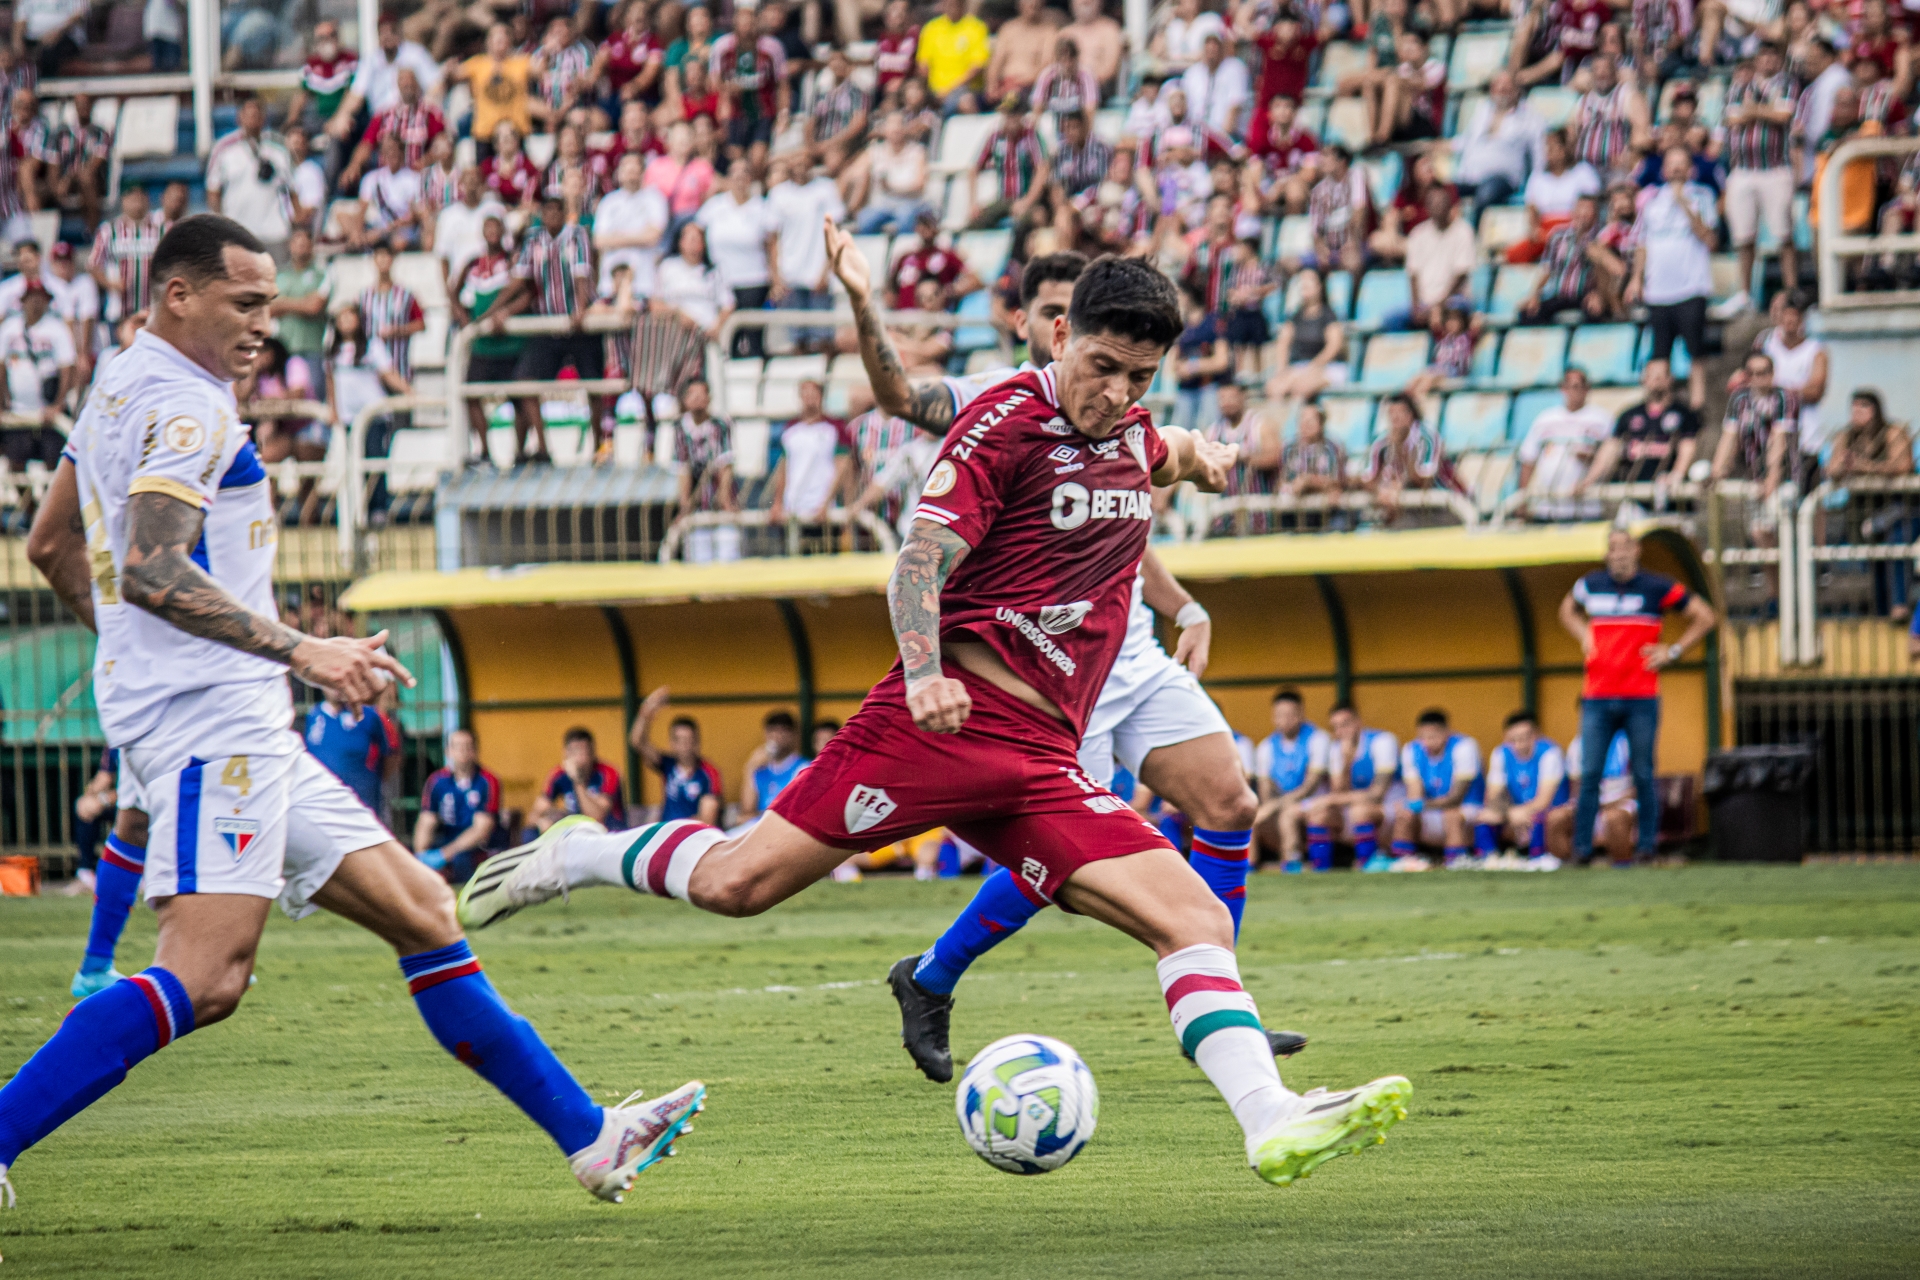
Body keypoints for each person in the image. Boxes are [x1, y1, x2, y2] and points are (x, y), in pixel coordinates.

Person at [456, 253, 1405, 1191]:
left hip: (1040, 760)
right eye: (1102, 368)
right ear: (1060, 334)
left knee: (1192, 914)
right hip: (939, 728)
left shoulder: (1135, 435)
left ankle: (1270, 1117)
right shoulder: (1003, 424)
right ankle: (578, 853)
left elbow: (1177, 451)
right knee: (739, 884)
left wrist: (1212, 461)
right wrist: (921, 673)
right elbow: (917, 561)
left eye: (1139, 379)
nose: (1115, 394)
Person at [1, 214, 697, 1211]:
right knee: (205, 975)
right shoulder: (190, 408)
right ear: (177, 295)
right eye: (243, 304)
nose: (261, 328)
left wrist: (129, 666)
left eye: (270, 308)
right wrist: (307, 649)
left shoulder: (118, 379)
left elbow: (48, 542)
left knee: (424, 907)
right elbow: (153, 565)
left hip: (218, 718)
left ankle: (590, 1134)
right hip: (214, 727)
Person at [806, 231, 1278, 1076]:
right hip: (1037, 670)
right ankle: (933, 974)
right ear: (1043, 326)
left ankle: (1223, 997)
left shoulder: (1125, 416)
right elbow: (897, 397)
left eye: (1138, 368)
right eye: (1059, 313)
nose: (1119, 376)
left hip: (1123, 648)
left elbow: (1120, 515)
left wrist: (1183, 603)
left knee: (1230, 800)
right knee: (1060, 854)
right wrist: (861, 299)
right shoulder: (993, 404)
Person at [1559, 528, 1718, 864]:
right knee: (1590, 775)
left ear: (1636, 551)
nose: (1617, 553)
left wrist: (1673, 651)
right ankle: (1582, 851)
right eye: (1611, 548)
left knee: (1644, 773)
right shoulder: (1591, 584)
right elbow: (1566, 611)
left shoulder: (1657, 586)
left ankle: (1647, 847)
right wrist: (1583, 633)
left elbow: (1705, 616)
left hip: (1640, 697)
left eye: (1623, 547)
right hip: (1597, 696)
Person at [500, 194, 604, 459]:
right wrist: (496, 310)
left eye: (558, 211)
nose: (553, 216)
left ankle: (599, 446)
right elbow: (519, 279)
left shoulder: (577, 235)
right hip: (546, 325)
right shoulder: (534, 239)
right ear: (542, 214)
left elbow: (582, 272)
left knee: (593, 385)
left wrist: (580, 308)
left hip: (579, 328)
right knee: (524, 381)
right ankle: (544, 448)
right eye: (548, 211)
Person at [1627, 147, 1718, 409]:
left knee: (1695, 350)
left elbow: (1709, 238)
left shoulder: (1703, 196)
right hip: (1658, 289)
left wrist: (1684, 204)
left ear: (1691, 169)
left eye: (1682, 163)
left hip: (1691, 285)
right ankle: (1661, 404)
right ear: (1664, 170)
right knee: (1660, 352)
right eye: (1672, 163)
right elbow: (1642, 242)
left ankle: (1697, 403)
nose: (1676, 169)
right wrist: (1636, 279)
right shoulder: (1650, 200)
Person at [1719, 46, 1799, 318]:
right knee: (1744, 236)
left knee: (1784, 233)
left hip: (1775, 168)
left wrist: (1752, 110)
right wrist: (1765, 111)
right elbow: (1732, 119)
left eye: (1773, 55)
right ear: (1756, 60)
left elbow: (1784, 116)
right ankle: (1744, 294)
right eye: (1764, 55)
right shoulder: (1739, 87)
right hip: (1743, 170)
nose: (1768, 59)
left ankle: (1792, 290)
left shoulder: (1787, 84)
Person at [1578, 357, 1700, 488]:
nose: (1656, 379)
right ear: (1644, 379)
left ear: (1670, 378)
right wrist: (1588, 480)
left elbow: (1688, 447)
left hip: (1669, 493)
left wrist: (1676, 475)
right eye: (1651, 374)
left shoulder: (1684, 415)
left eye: (1661, 374)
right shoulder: (1629, 415)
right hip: (1633, 493)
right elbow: (1611, 448)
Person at [1305, 702, 1399, 871]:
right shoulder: (1337, 749)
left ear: (1358, 722)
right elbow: (1339, 793)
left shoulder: (1382, 741)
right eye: (1336, 727)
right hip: (1356, 810)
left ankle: (1367, 865)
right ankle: (1319, 871)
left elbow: (1377, 794)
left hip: (1391, 809)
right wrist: (1347, 764)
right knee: (1319, 814)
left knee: (1359, 810)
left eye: (1345, 724)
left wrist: (1330, 799)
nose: (1341, 732)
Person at [698, 159, 778, 359]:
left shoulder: (762, 207)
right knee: (726, 336)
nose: (740, 180)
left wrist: (776, 278)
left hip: (753, 279)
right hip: (720, 280)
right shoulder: (715, 206)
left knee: (752, 337)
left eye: (744, 175)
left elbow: (772, 245)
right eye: (735, 175)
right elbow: (696, 233)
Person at [767, 153, 845, 354]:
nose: (800, 167)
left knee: (822, 339)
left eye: (804, 162)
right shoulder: (779, 194)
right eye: (796, 163)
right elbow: (773, 238)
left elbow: (834, 233)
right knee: (796, 341)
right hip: (790, 273)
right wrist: (776, 276)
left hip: (817, 272)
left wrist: (826, 270)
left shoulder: (826, 189)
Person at [1386, 709, 1484, 871]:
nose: (1428, 742)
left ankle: (1456, 862)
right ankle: (1403, 862)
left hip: (1468, 808)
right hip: (1431, 809)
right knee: (1405, 814)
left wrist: (1421, 805)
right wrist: (1411, 806)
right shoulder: (1412, 749)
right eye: (1423, 737)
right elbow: (1414, 792)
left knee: (1451, 815)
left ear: (1446, 732)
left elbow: (1455, 798)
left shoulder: (1464, 746)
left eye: (1433, 737)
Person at [203, 94, 293, 260]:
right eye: (249, 115)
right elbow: (213, 191)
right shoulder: (223, 148)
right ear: (240, 117)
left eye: (258, 115)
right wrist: (223, 226)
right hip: (239, 233)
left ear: (264, 118)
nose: (254, 119)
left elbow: (291, 189)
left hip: (274, 232)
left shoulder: (279, 148)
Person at [1452, 71, 1547, 228]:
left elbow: (1539, 155)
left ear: (1517, 90)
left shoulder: (1529, 118)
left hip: (1503, 179)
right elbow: (1465, 142)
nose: (1501, 89)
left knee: (1485, 195)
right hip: (1470, 176)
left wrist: (1536, 187)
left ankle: (1474, 238)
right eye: (1497, 85)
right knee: (1443, 194)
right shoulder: (1481, 112)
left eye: (1506, 86)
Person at [1517, 366, 1613, 519]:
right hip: (1548, 505)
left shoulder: (1602, 419)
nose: (1574, 391)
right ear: (1563, 389)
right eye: (1570, 386)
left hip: (1587, 506)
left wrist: (1592, 458)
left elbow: (1611, 458)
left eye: (1578, 386)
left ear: (1587, 389)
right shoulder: (1545, 419)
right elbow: (1528, 459)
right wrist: (1522, 501)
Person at [1475, 710, 1566, 868]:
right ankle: (1489, 859)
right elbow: (1494, 796)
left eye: (1525, 737)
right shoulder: (1501, 753)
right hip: (1516, 810)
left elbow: (1544, 800)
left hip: (1549, 810)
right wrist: (1510, 811)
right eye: (1513, 739)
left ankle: (1538, 858)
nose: (1519, 744)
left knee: (1538, 817)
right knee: (1485, 816)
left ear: (1536, 735)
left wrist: (1519, 811)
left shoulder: (1550, 753)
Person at [1253, 690, 1330, 871]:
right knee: (1251, 818)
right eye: (1280, 715)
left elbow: (1310, 787)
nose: (1285, 720)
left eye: (1290, 715)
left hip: (1314, 803)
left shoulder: (1318, 738)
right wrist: (1268, 808)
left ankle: (1294, 863)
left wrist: (1275, 806)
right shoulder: (1266, 746)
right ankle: (1249, 870)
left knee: (1288, 813)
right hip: (1282, 805)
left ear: (1301, 714)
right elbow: (1265, 791)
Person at [415, 727, 502, 885]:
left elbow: (482, 829)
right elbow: (426, 821)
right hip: (447, 841)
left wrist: (444, 854)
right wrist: (420, 856)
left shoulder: (488, 781)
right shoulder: (436, 781)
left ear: (475, 751)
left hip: (477, 847)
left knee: (462, 861)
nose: (463, 751)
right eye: (457, 746)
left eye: (468, 747)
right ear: (448, 751)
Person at [304, 693, 402, 827]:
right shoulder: (313, 715)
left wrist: (373, 780)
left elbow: (392, 753)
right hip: (323, 803)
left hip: (362, 800)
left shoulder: (370, 714)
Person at [1712, 349, 1798, 502]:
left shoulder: (1784, 398)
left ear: (1772, 373)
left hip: (1785, 478)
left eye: (1763, 372)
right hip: (1753, 478)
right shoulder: (1739, 398)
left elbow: (1779, 440)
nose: (1758, 378)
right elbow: (1728, 437)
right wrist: (1716, 472)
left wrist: (1773, 476)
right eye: (1752, 373)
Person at [629, 687, 724, 825]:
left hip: (694, 836)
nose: (685, 745)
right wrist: (646, 712)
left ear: (697, 742)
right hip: (667, 833)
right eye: (679, 740)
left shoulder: (709, 772)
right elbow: (637, 742)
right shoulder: (667, 764)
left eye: (689, 740)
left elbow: (707, 819)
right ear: (672, 743)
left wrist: (675, 828)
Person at [1519, 192, 1607, 321]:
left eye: (1587, 210)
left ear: (1595, 215)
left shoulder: (1601, 238)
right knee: (1528, 314)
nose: (1582, 214)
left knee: (1596, 314)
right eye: (1579, 209)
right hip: (1558, 295)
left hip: (1585, 295)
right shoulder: (1558, 236)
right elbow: (1547, 269)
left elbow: (1604, 272)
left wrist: (1599, 294)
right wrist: (1535, 295)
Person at [968, 95, 1052, 231]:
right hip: (1003, 200)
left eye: (1013, 114)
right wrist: (973, 203)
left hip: (1025, 198)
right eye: (1006, 115)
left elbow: (1042, 169)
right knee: (975, 223)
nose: (1009, 119)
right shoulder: (996, 137)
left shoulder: (1031, 137)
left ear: (1021, 115)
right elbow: (974, 168)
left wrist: (1027, 201)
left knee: (1029, 221)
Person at [90, 182, 169, 322]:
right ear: (123, 200)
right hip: (120, 311)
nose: (137, 202)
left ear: (147, 200)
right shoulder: (109, 230)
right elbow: (93, 265)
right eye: (132, 197)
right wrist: (110, 283)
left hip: (153, 311)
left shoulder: (162, 230)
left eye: (141, 197)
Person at [530, 727, 628, 834]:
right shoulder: (558, 774)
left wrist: (577, 780)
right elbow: (534, 815)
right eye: (575, 751)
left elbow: (597, 816)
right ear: (565, 753)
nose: (580, 757)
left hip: (609, 833)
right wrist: (545, 820)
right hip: (577, 834)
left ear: (592, 752)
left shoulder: (608, 773)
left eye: (584, 751)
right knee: (531, 833)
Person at [917, 0, 991, 112]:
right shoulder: (931, 28)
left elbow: (977, 67)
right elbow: (923, 64)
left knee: (966, 103)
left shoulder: (976, 27)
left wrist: (949, 90)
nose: (951, 7)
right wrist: (928, 90)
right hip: (934, 91)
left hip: (965, 90)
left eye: (955, 4)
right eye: (947, 4)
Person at [737, 709, 807, 821]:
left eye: (783, 731)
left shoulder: (803, 768)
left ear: (794, 735)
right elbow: (747, 810)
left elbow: (793, 811)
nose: (777, 736)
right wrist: (749, 768)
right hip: (758, 825)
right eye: (772, 730)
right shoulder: (758, 768)